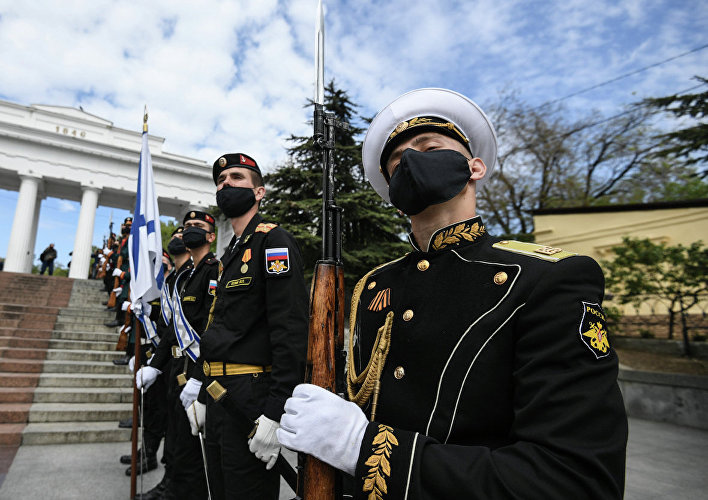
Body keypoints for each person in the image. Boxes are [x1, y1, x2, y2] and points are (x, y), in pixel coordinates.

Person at [276, 88, 628, 499]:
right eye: (397, 160)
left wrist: (362, 448)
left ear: (474, 167)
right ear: (393, 192)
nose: (410, 160)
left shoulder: (545, 277)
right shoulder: (376, 285)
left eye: (430, 147)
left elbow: (577, 481)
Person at [182, 153, 309, 500]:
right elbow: (216, 329)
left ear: (259, 192)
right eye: (221, 181)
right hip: (219, 393)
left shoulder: (272, 241)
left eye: (237, 178)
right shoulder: (230, 256)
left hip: (252, 395)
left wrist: (276, 410)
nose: (226, 185)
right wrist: (201, 387)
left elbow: (291, 328)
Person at [142, 214, 218, 499]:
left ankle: (181, 491)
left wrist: (199, 378)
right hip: (177, 369)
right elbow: (174, 330)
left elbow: (211, 329)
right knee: (174, 438)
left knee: (189, 446)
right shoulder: (186, 278)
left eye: (198, 228)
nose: (189, 232)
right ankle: (169, 485)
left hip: (196, 370)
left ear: (211, 236)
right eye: (187, 227)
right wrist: (154, 366)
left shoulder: (212, 271)